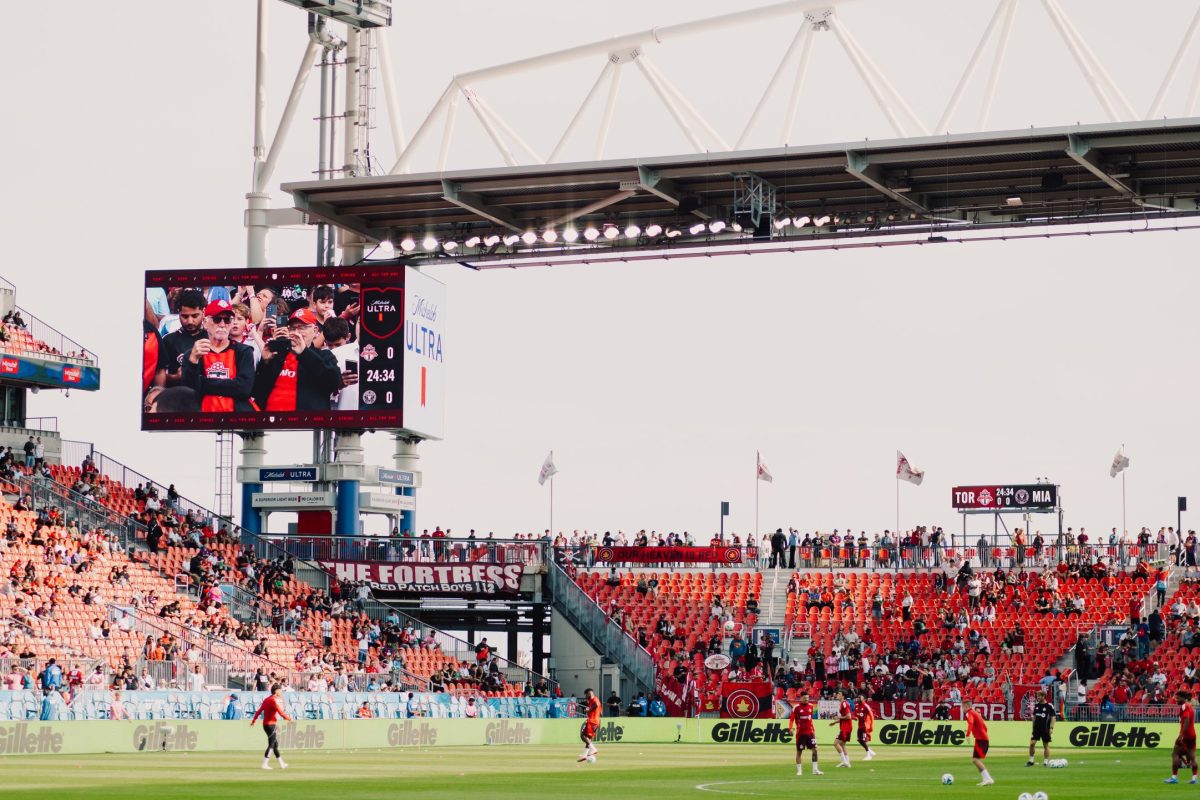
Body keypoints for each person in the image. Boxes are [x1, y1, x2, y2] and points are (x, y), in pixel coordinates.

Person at [253, 308, 342, 412]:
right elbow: (257, 391)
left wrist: (304, 353)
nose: (296, 333)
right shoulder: (277, 354)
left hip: (305, 424)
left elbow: (334, 382)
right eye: (292, 328)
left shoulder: (324, 355)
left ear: (315, 331)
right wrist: (265, 362)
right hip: (272, 423)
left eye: (301, 328)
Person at [181, 300, 258, 413]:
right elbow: (190, 391)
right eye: (217, 319)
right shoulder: (194, 353)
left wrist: (203, 382)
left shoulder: (243, 351)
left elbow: (244, 388)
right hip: (203, 417)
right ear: (205, 322)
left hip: (236, 415)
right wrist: (192, 362)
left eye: (227, 320)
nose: (222, 324)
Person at [156, 289, 207, 387]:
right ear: (178, 312)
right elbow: (159, 376)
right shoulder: (168, 341)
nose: (190, 321)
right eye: (185, 316)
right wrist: (175, 377)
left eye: (195, 316)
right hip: (178, 396)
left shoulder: (211, 338)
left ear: (203, 311)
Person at [251, 684, 292, 770]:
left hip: (266, 725)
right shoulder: (273, 700)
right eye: (280, 690)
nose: (281, 692)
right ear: (276, 691)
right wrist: (289, 719)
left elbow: (258, 711)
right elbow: (280, 712)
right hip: (271, 725)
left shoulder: (267, 699)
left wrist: (254, 720)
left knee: (275, 744)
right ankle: (264, 764)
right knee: (272, 744)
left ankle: (282, 764)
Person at [1166, 689, 1198, 784]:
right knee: (1192, 756)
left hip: (1185, 735)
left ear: (1183, 698)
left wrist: (1181, 735)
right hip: (1192, 734)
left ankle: (1174, 777)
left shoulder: (1184, 707)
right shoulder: (1190, 706)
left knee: (1175, 754)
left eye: (1178, 698)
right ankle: (1194, 778)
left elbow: (1186, 720)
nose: (1176, 699)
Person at [788, 690, 823, 776]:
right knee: (799, 752)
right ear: (801, 698)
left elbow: (810, 719)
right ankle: (799, 771)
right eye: (805, 698)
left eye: (807, 698)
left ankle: (815, 770)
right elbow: (791, 719)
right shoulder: (796, 708)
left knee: (815, 750)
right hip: (801, 734)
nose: (806, 699)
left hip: (810, 733)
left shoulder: (811, 706)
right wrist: (790, 728)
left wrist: (813, 730)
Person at [963, 699, 994, 786]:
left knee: (975, 760)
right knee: (975, 760)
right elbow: (985, 727)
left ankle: (988, 778)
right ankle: (986, 779)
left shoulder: (969, 713)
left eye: (963, 707)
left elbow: (971, 723)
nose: (962, 709)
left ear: (966, 706)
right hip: (983, 739)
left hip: (981, 740)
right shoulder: (975, 713)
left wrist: (968, 734)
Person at [1027, 691, 1058, 767]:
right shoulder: (1036, 706)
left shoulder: (1049, 706)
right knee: (1032, 743)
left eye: (1039, 696)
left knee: (1045, 745)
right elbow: (1034, 717)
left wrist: (1051, 728)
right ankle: (1031, 761)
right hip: (1036, 729)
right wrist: (1033, 727)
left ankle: (1046, 761)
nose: (1038, 697)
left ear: (1044, 696)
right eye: (1037, 696)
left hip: (1045, 728)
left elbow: (1053, 717)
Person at [577, 688, 602, 764]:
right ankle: (585, 755)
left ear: (589, 693)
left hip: (592, 721)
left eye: (586, 694)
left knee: (583, 736)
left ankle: (593, 748)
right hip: (596, 721)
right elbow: (600, 713)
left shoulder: (595, 699)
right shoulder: (591, 701)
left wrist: (589, 710)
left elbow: (596, 705)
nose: (586, 696)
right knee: (588, 739)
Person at [829, 689, 852, 767]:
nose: (837, 695)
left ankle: (844, 761)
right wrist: (835, 722)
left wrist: (838, 717)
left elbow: (849, 716)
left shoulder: (844, 704)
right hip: (846, 726)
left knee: (835, 743)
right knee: (842, 745)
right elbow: (844, 717)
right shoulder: (842, 704)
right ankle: (847, 763)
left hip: (846, 727)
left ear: (843, 696)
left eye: (839, 694)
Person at [855, 692, 876, 760]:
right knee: (859, 740)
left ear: (864, 699)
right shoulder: (857, 705)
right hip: (860, 726)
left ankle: (868, 755)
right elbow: (854, 714)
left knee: (864, 740)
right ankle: (869, 751)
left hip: (865, 725)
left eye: (860, 697)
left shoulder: (866, 706)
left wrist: (871, 725)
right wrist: (854, 717)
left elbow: (871, 715)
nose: (858, 698)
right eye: (858, 697)